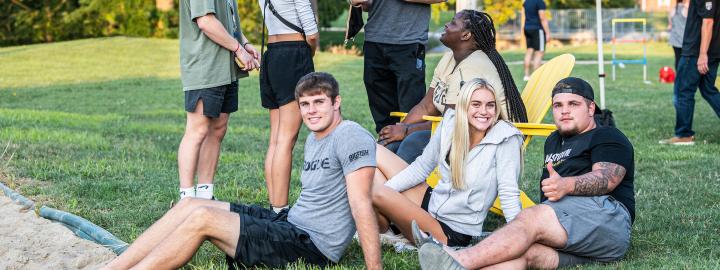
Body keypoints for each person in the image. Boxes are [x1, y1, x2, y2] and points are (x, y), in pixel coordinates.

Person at [103, 73, 382, 270]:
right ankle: (115, 266)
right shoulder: (315, 136)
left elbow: (360, 204)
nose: (311, 111)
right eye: (305, 105)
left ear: (336, 102)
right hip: (290, 225)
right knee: (191, 204)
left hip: (312, 246)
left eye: (319, 102)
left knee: (203, 218)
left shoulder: (350, 136)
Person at [416, 77, 636, 269]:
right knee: (522, 252)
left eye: (573, 104)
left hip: (607, 220)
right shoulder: (554, 141)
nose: (564, 110)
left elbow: (606, 179)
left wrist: (567, 185)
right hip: (572, 232)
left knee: (531, 217)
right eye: (558, 105)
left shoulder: (607, 135)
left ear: (590, 109)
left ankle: (457, 260)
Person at [372, 78, 523, 248]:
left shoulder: (505, 138)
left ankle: (383, 223)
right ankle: (387, 223)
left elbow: (509, 193)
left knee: (376, 192)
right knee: (373, 157)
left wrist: (518, 239)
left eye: (490, 105)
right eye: (476, 104)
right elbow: (421, 168)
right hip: (432, 203)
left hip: (448, 232)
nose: (484, 111)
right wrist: (390, 195)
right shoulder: (451, 124)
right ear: (464, 106)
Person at [378, 10, 528, 164]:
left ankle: (395, 187)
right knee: (391, 141)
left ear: (466, 35)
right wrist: (401, 128)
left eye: (453, 23)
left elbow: (451, 121)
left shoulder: (473, 67)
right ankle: (375, 185)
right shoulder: (450, 58)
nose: (446, 25)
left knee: (414, 141)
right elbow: (427, 106)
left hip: (490, 138)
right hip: (463, 131)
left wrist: (407, 131)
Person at [177, 0, 260, 200]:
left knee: (217, 129)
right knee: (197, 130)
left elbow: (227, 20)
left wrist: (245, 43)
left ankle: (206, 195)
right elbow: (206, 21)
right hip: (205, 68)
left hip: (225, 68)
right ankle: (186, 199)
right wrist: (238, 49)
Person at [258, 0, 319, 213]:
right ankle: (281, 209)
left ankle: (275, 206)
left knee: (276, 139)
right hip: (294, 53)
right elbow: (311, 33)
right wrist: (309, 52)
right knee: (286, 139)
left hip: (272, 54)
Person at [351, 0, 443, 134]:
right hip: (374, 39)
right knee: (382, 115)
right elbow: (369, 5)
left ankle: (410, 151)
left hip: (409, 40)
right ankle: (386, 147)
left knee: (411, 109)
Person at [660, 0, 720, 145]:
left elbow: (708, 22)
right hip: (710, 52)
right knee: (708, 90)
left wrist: (703, 54)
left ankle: (684, 134)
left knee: (683, 92)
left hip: (696, 52)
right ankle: (683, 133)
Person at [522, 0, 551, 81]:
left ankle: (526, 75)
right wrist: (548, 33)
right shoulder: (540, 2)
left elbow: (525, 16)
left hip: (527, 28)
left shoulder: (526, 2)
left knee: (529, 51)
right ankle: (536, 77)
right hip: (537, 29)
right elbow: (542, 18)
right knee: (539, 52)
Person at [669, 0, 689, 70]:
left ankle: (678, 77)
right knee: (685, 60)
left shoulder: (672, 10)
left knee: (677, 59)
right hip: (684, 39)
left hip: (674, 39)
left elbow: (670, 25)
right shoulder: (686, 9)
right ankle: (683, 77)